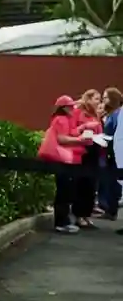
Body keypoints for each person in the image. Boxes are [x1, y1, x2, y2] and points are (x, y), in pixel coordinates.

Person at [38, 95, 88, 233]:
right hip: (61, 159)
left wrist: (81, 130)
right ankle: (61, 222)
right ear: (64, 108)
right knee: (63, 191)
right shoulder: (61, 119)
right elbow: (62, 138)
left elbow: (69, 133)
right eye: (70, 106)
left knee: (65, 190)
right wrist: (80, 139)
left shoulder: (64, 119)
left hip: (63, 158)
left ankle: (63, 221)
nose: (73, 108)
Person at [71, 89, 103, 228]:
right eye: (96, 99)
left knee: (91, 184)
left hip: (95, 149)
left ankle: (87, 214)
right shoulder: (79, 112)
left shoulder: (95, 115)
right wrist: (85, 127)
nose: (99, 102)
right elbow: (73, 130)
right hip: (83, 150)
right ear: (88, 99)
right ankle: (79, 215)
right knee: (82, 183)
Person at [99, 87, 122, 219]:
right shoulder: (113, 114)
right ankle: (110, 209)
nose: (103, 100)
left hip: (114, 152)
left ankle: (110, 209)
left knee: (112, 181)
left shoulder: (116, 115)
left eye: (106, 97)